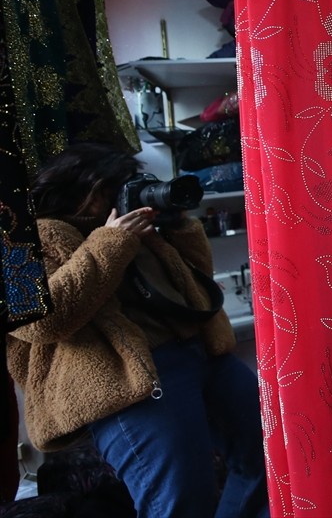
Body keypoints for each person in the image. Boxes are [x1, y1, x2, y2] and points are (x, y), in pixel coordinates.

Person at [5, 143, 269, 518]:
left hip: (201, 353)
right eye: (116, 187)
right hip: (133, 381)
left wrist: (177, 225)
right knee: (181, 501)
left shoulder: (136, 227)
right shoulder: (38, 235)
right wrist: (112, 241)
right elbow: (42, 320)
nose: (126, 194)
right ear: (90, 188)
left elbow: (196, 281)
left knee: (266, 457)